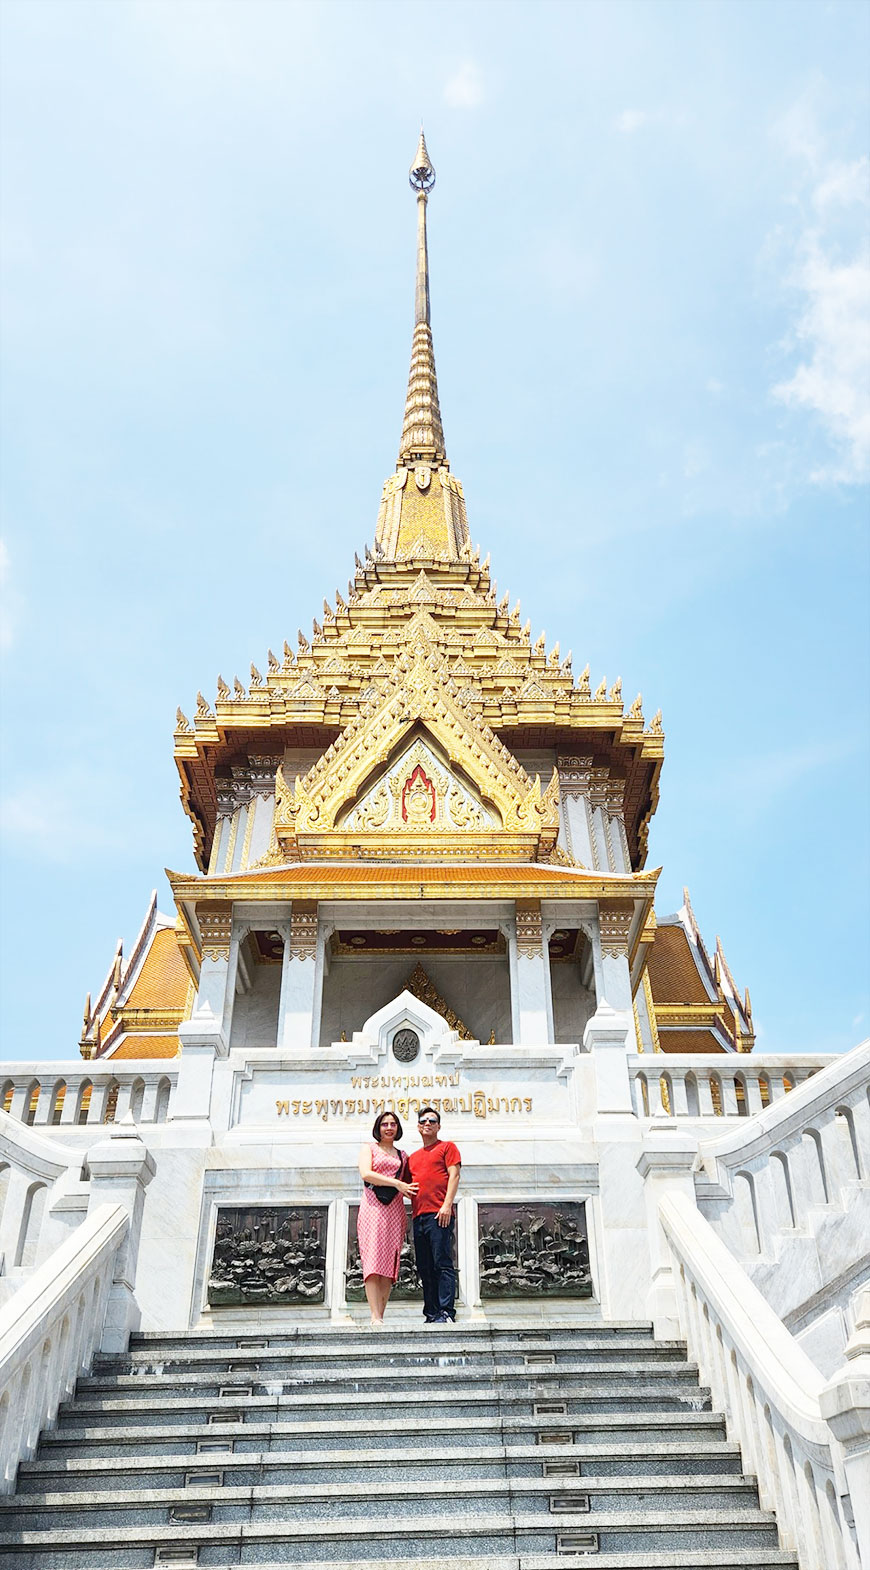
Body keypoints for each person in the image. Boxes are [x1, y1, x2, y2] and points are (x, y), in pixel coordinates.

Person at [357, 1111, 418, 1327]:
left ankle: (380, 1315)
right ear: (378, 1127)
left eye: (393, 1124)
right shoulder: (369, 1148)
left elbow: (410, 1183)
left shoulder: (403, 1155)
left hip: (395, 1210)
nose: (389, 1128)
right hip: (373, 1208)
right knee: (373, 1261)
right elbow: (366, 1174)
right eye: (385, 1124)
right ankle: (374, 1315)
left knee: (389, 1264)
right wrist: (396, 1183)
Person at [408, 1107, 461, 1324]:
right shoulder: (412, 1158)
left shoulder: (447, 1147)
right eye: (423, 1121)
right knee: (425, 1267)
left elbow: (454, 1176)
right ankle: (431, 1314)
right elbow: (405, 1186)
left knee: (442, 1263)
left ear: (439, 1126)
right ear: (418, 1127)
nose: (427, 1123)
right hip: (418, 1217)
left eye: (432, 1120)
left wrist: (447, 1205)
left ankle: (446, 1311)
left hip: (440, 1214)